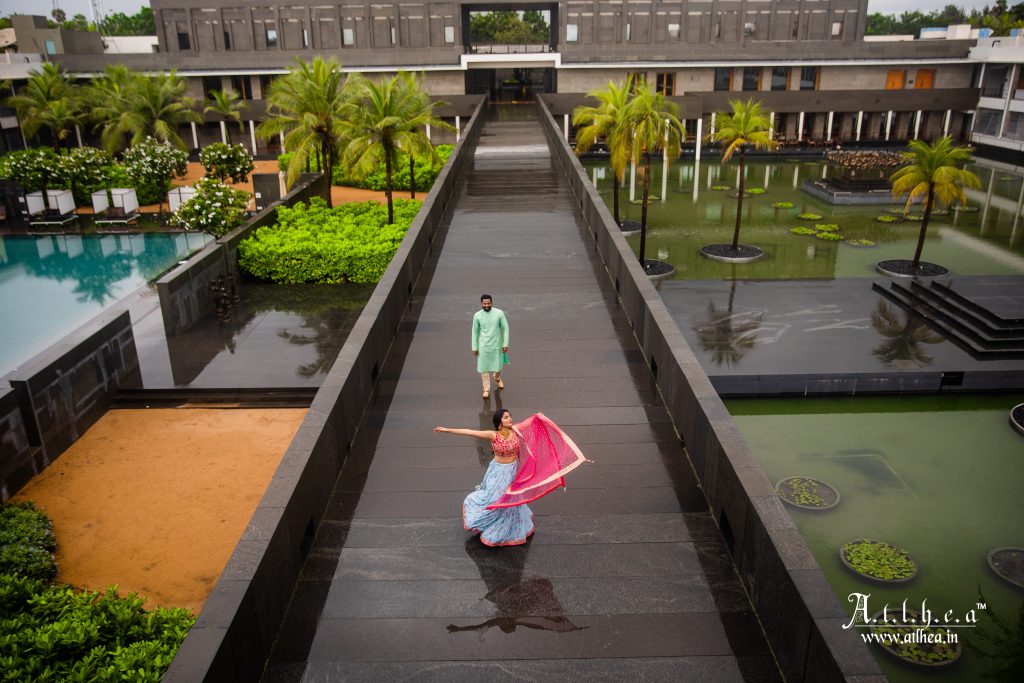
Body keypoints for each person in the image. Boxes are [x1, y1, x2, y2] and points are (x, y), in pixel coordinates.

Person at [434, 409, 534, 547]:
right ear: (500, 422)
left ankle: (512, 527)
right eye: (506, 417)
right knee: (496, 500)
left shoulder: (516, 430)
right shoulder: (493, 435)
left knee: (511, 500)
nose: (510, 419)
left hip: (513, 471)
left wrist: (539, 418)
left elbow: (531, 423)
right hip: (499, 473)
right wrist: (447, 430)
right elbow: (470, 432)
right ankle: (486, 520)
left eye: (510, 416)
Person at [472, 294, 509, 399]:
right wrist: (474, 347)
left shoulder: (499, 313)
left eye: (488, 303)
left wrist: (505, 343)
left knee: (498, 367)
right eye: (484, 303)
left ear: (491, 303)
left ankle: (497, 377)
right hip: (483, 346)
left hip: (497, 345)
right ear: (481, 304)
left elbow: (505, 328)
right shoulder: (477, 315)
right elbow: (474, 332)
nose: (486, 305)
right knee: (483, 368)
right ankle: (486, 388)